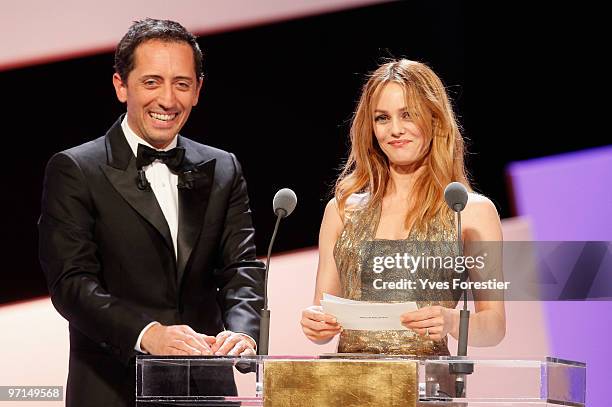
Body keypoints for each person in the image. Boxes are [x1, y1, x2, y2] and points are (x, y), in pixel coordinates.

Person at [38, 19, 264, 406]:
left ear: (198, 91)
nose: (168, 100)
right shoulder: (76, 169)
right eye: (151, 82)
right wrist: (148, 333)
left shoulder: (223, 167)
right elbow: (72, 284)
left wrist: (243, 334)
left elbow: (240, 267)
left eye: (181, 84)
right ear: (120, 86)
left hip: (204, 388)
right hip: (113, 389)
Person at [300, 59, 505, 359]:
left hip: (427, 391)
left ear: (435, 119)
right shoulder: (342, 210)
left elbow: (495, 325)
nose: (395, 130)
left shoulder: (472, 212)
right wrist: (315, 323)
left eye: (408, 115)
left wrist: (451, 321)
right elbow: (324, 312)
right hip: (347, 388)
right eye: (382, 118)